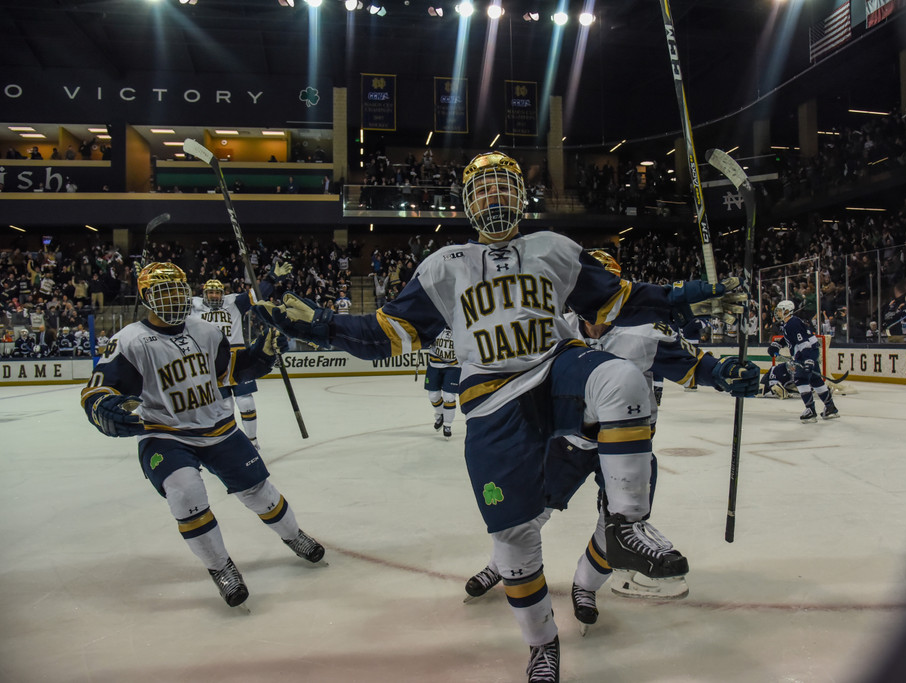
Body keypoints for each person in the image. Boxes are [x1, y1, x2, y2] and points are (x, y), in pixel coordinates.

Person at [254, 151, 750, 682]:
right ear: (468, 203)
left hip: (555, 368)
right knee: (513, 538)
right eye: (483, 189)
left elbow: (616, 302)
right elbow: (387, 334)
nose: (494, 197)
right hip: (492, 398)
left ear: (520, 196)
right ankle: (541, 644)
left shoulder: (555, 250)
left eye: (502, 186)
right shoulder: (445, 266)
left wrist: (683, 298)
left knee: (623, 378)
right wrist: (322, 325)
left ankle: (626, 526)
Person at [462, 249, 759, 636]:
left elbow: (696, 366)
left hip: (627, 450)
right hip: (567, 443)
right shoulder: (556, 328)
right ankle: (499, 566)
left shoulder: (645, 333)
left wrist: (725, 372)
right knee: (528, 512)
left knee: (618, 527)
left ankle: (585, 587)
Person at [80, 262, 324, 609]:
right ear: (146, 297)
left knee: (259, 493)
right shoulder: (131, 340)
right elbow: (98, 389)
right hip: (165, 434)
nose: (174, 299)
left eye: (178, 290)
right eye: (164, 292)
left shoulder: (206, 331)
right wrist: (102, 407)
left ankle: (293, 536)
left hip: (218, 427)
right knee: (185, 493)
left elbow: (231, 370)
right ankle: (221, 567)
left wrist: (261, 353)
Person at [188, 261, 292, 450]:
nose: (214, 296)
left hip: (236, 359)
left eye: (217, 292)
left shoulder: (233, 302)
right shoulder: (194, 306)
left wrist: (272, 277)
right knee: (225, 405)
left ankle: (253, 441)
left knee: (246, 401)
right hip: (210, 364)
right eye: (210, 293)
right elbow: (169, 306)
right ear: (204, 294)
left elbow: (256, 294)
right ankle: (229, 440)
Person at [768, 299, 839, 423]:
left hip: (805, 356)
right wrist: (778, 345)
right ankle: (830, 408)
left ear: (787, 311)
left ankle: (810, 410)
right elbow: (791, 338)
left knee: (800, 380)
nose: (777, 313)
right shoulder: (790, 323)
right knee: (816, 381)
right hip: (810, 355)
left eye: (780, 310)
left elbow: (805, 343)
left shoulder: (792, 323)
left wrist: (808, 360)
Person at [423, 326, 461, 438]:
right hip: (434, 365)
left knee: (449, 396)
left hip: (453, 366)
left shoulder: (460, 324)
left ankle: (447, 424)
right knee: (433, 395)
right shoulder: (436, 323)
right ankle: (440, 415)